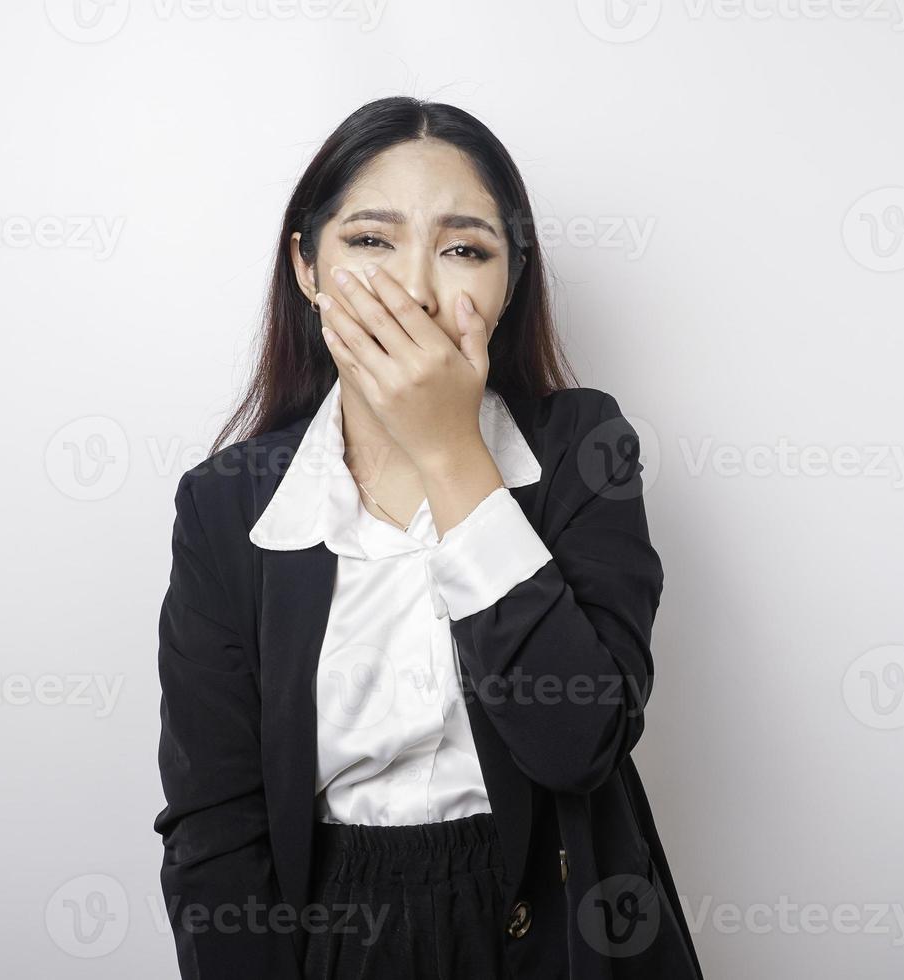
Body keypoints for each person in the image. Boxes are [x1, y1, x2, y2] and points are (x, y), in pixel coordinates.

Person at [154, 95, 705, 980]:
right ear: (306, 267)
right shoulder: (226, 507)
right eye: (370, 241)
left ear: (508, 281)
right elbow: (215, 826)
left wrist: (451, 453)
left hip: (554, 935)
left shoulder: (582, 450)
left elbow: (580, 744)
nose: (413, 289)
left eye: (464, 249)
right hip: (333, 945)